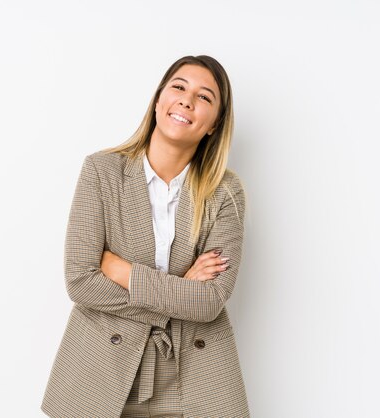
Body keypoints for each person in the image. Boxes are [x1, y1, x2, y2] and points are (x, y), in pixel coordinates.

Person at [41, 55, 250, 417]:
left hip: (195, 375)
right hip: (103, 373)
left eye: (205, 97)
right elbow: (80, 282)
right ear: (159, 100)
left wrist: (123, 272)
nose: (187, 100)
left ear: (215, 124)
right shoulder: (102, 171)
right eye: (179, 87)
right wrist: (181, 287)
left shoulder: (225, 192)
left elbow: (210, 301)